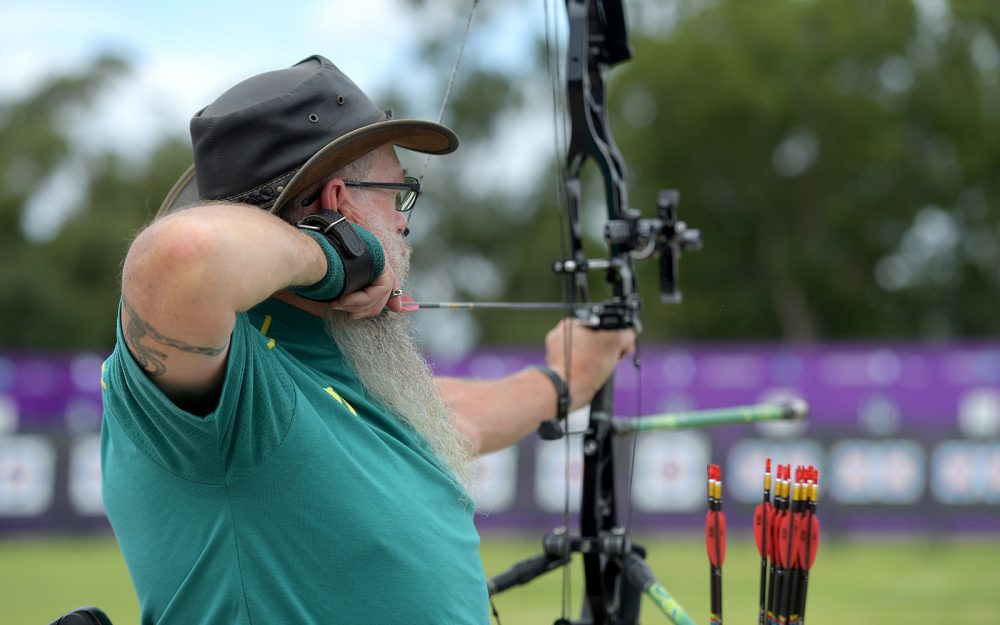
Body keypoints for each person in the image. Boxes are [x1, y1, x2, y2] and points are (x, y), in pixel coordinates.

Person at [100, 55, 634, 625]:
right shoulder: (234, 383)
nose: (404, 222)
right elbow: (180, 258)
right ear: (338, 204)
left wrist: (562, 379)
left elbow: (446, 418)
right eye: (397, 195)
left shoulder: (328, 364)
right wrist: (338, 257)